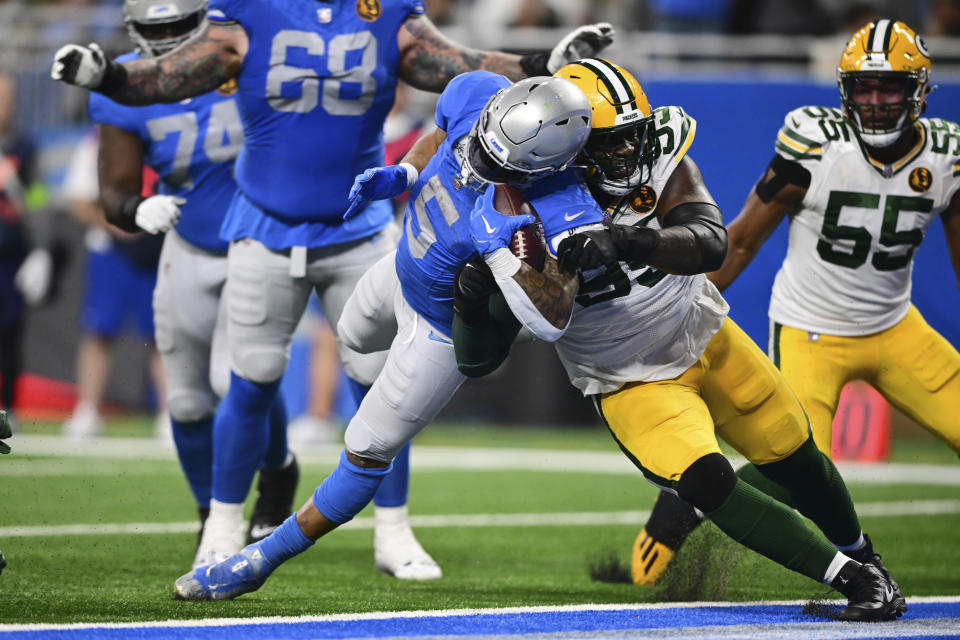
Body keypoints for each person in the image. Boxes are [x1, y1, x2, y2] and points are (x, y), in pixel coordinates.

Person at [51, 0, 614, 579]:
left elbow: (448, 63)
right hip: (308, 238)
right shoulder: (259, 14)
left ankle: (362, 536)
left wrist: (540, 69)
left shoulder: (557, 198)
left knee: (372, 400)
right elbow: (186, 67)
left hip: (386, 259)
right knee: (258, 372)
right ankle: (222, 521)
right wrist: (110, 77)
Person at [450, 58, 906, 622]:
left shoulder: (656, 154)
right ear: (568, 148)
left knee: (797, 458)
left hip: (704, 333)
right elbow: (479, 360)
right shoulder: (516, 214)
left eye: (636, 135)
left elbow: (711, 241)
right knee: (707, 480)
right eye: (616, 143)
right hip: (630, 379)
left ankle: (866, 557)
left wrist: (627, 241)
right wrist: (470, 301)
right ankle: (855, 581)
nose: (635, 150)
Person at [171, 71, 602, 600]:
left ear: (546, 168)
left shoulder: (565, 206)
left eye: (498, 164)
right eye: (482, 145)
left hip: (440, 333)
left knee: (367, 449)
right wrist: (404, 173)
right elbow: (442, 136)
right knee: (350, 335)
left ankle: (259, 560)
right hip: (398, 270)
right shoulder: (476, 94)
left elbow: (552, 317)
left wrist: (501, 254)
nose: (478, 162)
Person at [631, 18, 960, 587]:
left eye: (890, 88)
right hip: (813, 330)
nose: (876, 101)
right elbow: (740, 239)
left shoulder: (947, 155)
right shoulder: (814, 143)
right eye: (864, 87)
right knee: (802, 469)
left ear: (919, 92)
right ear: (844, 91)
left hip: (895, 325)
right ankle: (685, 504)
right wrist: (679, 314)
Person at [89, 0, 298, 566]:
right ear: (135, 31)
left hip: (256, 240)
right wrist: (136, 208)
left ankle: (277, 471)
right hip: (188, 244)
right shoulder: (121, 84)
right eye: (158, 30)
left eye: (181, 25)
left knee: (237, 378)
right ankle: (211, 512)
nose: (170, 39)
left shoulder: (242, 58)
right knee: (184, 400)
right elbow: (113, 192)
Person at [59, 128, 169, 441]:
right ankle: (87, 410)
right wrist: (115, 226)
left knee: (161, 334)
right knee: (100, 330)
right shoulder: (97, 139)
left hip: (156, 249)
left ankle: (169, 415)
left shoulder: (163, 133)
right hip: (111, 250)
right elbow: (80, 201)